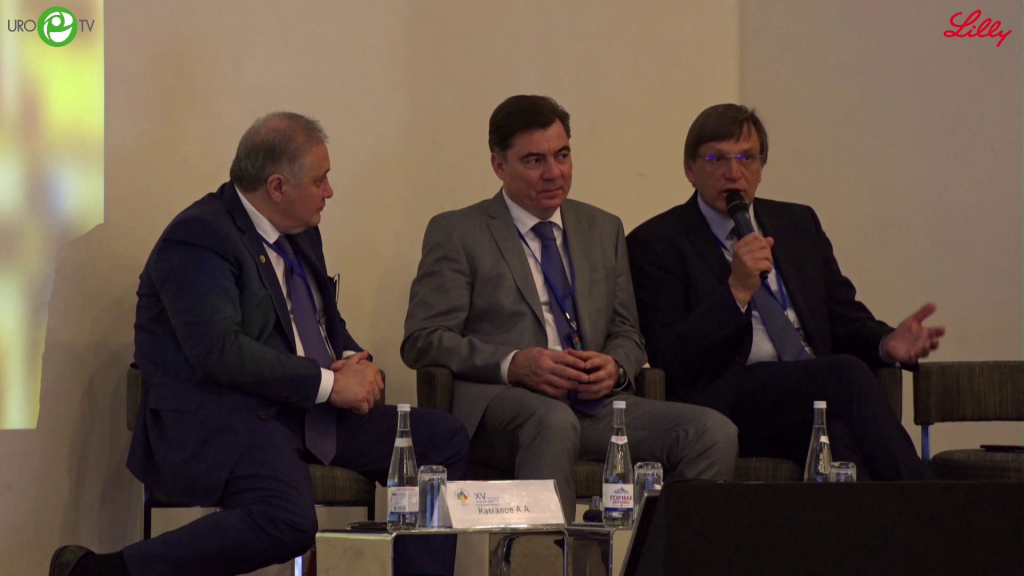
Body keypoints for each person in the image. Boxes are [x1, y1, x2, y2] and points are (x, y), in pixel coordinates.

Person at [50, 112, 469, 576]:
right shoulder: (199, 237)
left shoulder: (302, 231)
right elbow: (219, 351)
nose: (330, 191)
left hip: (301, 408)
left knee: (442, 440)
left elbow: (324, 323)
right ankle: (100, 572)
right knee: (289, 521)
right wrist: (332, 384)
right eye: (320, 180)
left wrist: (356, 361)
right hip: (227, 414)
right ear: (277, 187)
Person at [401, 95, 737, 522]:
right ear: (499, 165)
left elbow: (628, 331)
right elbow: (423, 339)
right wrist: (514, 363)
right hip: (506, 405)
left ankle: (659, 553)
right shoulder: (459, 231)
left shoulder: (602, 228)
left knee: (712, 432)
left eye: (562, 155)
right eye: (534, 160)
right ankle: (544, 554)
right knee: (554, 421)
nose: (554, 172)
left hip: (595, 405)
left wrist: (614, 366)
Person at [627, 103, 943, 480]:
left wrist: (886, 343)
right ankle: (928, 500)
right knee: (846, 374)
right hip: (730, 400)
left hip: (808, 396)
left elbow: (842, 314)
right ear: (690, 170)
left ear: (761, 167)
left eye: (747, 158)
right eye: (716, 158)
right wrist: (736, 290)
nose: (733, 172)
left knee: (838, 440)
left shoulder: (797, 223)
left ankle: (890, 519)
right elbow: (671, 355)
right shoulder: (657, 242)